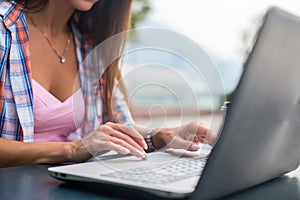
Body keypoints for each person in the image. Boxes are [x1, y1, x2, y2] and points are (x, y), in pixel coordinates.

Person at [0, 0, 216, 168]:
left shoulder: (89, 48)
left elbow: (119, 125)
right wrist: (71, 150)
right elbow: (79, 148)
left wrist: (159, 137)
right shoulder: (4, 29)